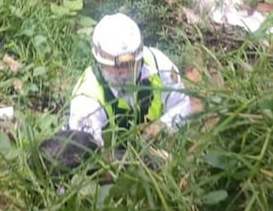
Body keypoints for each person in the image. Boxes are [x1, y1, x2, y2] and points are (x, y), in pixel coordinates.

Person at [66, 13, 192, 150]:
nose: (125, 72)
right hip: (110, 158)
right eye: (117, 67)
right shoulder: (86, 100)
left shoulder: (158, 65)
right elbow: (87, 154)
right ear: (101, 63)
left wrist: (162, 126)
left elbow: (183, 104)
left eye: (130, 64)